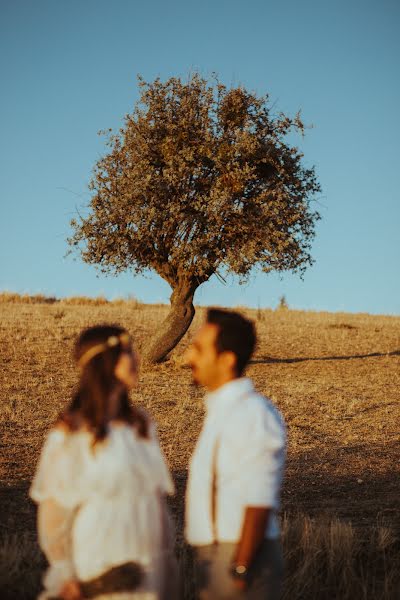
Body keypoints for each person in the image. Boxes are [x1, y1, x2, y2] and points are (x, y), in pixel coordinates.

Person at [30, 325, 177, 600]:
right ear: (104, 361)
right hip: (99, 563)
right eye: (127, 352)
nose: (136, 358)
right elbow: (54, 513)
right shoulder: (71, 431)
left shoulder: (141, 425)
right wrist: (67, 574)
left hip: (148, 566)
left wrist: (167, 564)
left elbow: (157, 502)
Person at [185, 309, 286, 599]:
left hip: (239, 557)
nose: (189, 358)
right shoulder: (221, 412)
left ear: (227, 360)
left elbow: (259, 497)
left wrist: (240, 568)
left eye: (199, 350)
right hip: (218, 555)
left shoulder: (251, 413)